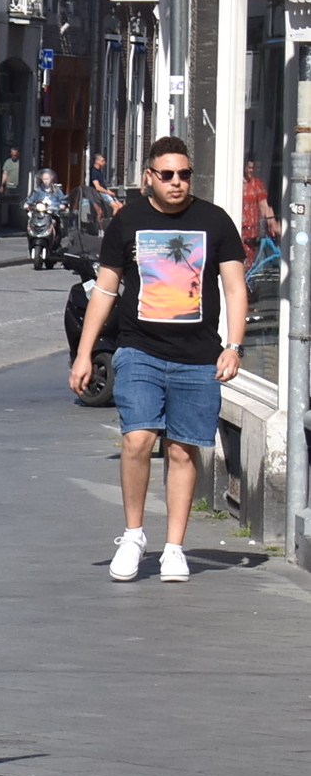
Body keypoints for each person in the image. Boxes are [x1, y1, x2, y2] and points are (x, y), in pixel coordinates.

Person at [69, 136, 250, 583]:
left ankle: (173, 548)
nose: (176, 182)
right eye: (166, 174)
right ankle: (133, 536)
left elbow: (235, 288)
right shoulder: (129, 221)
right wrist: (85, 353)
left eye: (184, 174)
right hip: (139, 350)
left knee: (183, 450)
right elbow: (107, 290)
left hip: (197, 356)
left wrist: (234, 345)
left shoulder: (214, 221)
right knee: (137, 440)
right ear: (149, 176)